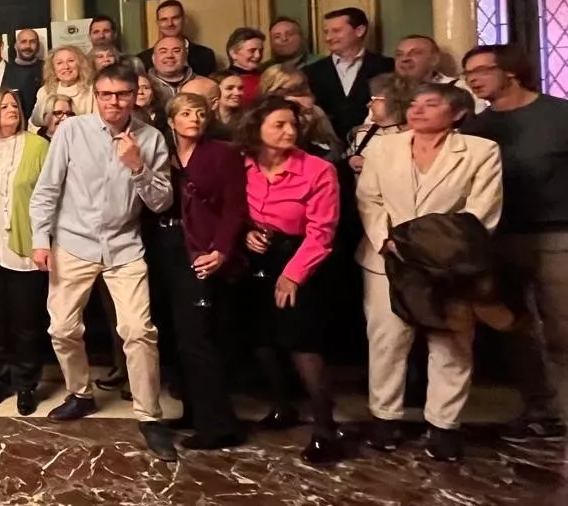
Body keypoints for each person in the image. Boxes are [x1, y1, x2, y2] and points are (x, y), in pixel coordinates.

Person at [29, 63, 177, 460]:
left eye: (122, 95)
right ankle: (80, 393)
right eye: (106, 94)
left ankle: (149, 417)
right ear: (96, 95)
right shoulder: (71, 132)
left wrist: (138, 166)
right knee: (61, 328)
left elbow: (162, 202)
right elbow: (47, 189)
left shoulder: (152, 139)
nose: (114, 102)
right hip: (73, 244)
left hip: (125, 246)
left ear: (135, 96)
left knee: (138, 330)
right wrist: (41, 240)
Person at [356, 83, 503, 461]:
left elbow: (481, 211)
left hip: (451, 262)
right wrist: (387, 241)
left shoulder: (480, 151)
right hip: (386, 259)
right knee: (388, 340)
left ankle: (443, 424)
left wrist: (433, 250)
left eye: (431, 104)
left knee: (451, 341)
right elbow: (369, 199)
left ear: (456, 113)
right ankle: (385, 416)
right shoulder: (382, 147)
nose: (417, 110)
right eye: (414, 104)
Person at [459, 44, 568, 441]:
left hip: (557, 234)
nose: (472, 78)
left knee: (561, 326)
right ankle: (538, 406)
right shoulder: (476, 127)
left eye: (481, 70)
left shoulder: (558, 114)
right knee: (512, 326)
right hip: (499, 238)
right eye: (467, 71)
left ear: (511, 72)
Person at [236, 96, 343, 465]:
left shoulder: (317, 170)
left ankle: (325, 427)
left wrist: (293, 275)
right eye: (279, 124)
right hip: (256, 256)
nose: (288, 131)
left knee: (303, 343)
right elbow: (235, 209)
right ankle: (282, 407)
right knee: (262, 338)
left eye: (292, 125)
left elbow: (322, 232)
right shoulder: (244, 164)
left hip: (299, 257)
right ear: (257, 128)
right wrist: (245, 232)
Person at [151, 94, 246, 449]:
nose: (194, 118)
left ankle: (219, 425)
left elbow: (235, 208)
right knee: (174, 335)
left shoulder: (221, 153)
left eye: (200, 112)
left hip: (202, 249)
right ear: (171, 120)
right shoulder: (162, 154)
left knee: (199, 337)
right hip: (164, 246)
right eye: (186, 113)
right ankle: (193, 410)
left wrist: (221, 250)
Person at [0, 90, 51, 416]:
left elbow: (49, 196)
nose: (11, 110)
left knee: (27, 323)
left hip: (23, 249)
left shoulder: (38, 146)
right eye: (3, 107)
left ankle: (26, 384)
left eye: (14, 106)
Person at [304, 7, 395, 138]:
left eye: (336, 31)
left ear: (359, 31)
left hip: (374, 145)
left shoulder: (386, 66)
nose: (329, 37)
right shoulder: (311, 71)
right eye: (326, 32)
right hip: (326, 150)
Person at [138, 0, 218, 76]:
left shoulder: (205, 55)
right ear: (158, 23)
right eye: (164, 19)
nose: (170, 24)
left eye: (175, 18)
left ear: (183, 20)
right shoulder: (143, 59)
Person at [31, 47, 95, 128]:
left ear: (80, 64)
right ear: (53, 68)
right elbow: (34, 124)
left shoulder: (92, 90)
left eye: (70, 61)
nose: (66, 67)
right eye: (59, 63)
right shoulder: (44, 91)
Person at [225, 27, 266, 104]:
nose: (258, 55)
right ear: (233, 53)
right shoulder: (223, 81)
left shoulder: (267, 77)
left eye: (261, 51)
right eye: (252, 51)